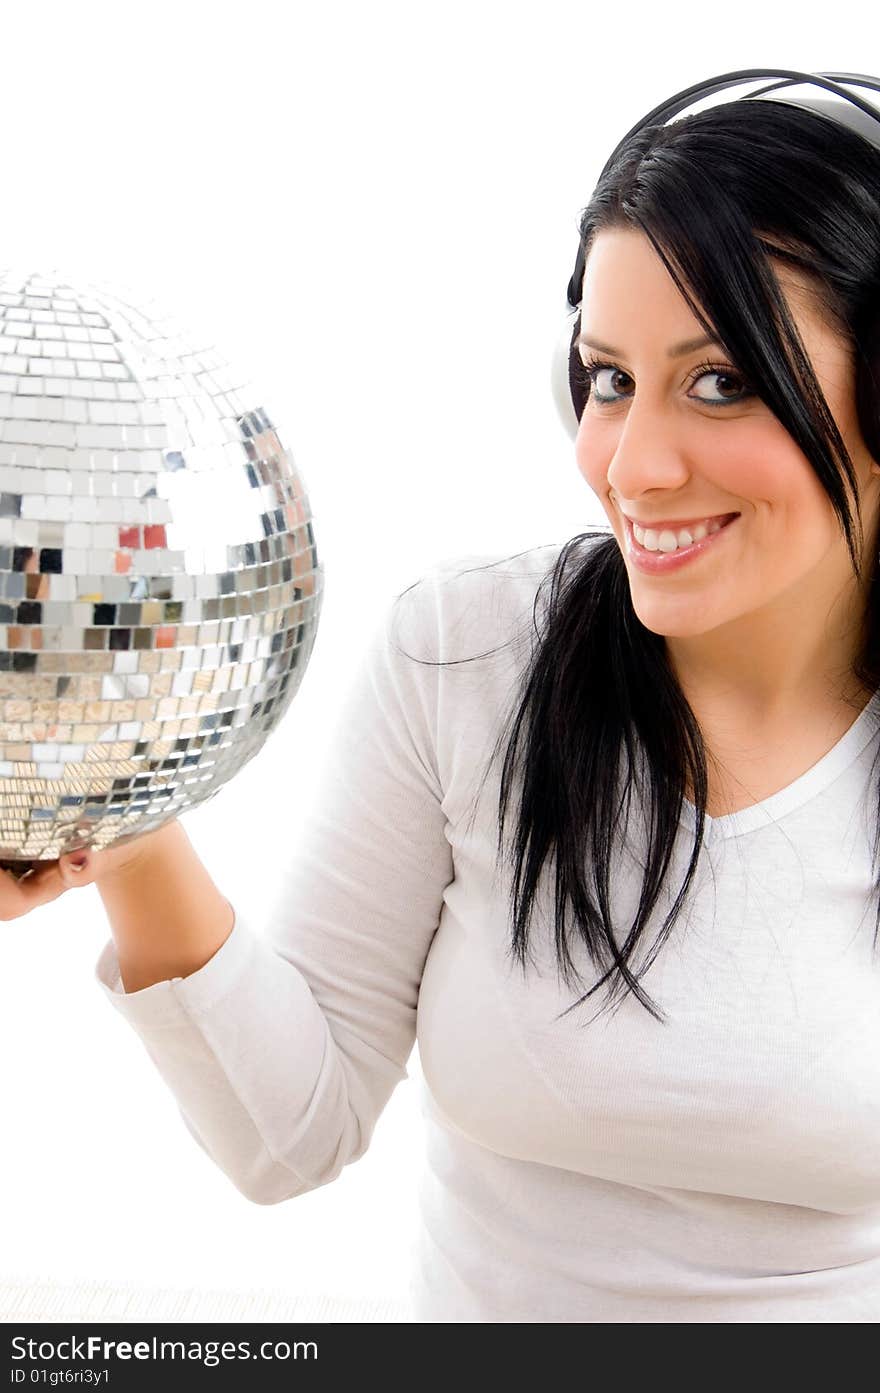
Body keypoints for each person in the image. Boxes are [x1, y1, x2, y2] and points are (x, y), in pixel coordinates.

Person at [5, 81, 880, 1323]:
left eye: (723, 381)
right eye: (608, 378)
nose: (629, 466)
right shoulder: (468, 655)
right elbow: (285, 1135)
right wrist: (127, 804)